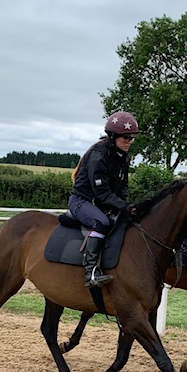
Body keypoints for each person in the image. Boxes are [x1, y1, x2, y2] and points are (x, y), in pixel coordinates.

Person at [69, 111, 140, 287]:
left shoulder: (123, 156)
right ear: (113, 136)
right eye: (126, 138)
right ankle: (91, 272)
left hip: (101, 202)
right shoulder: (98, 155)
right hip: (81, 201)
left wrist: (122, 205)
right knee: (101, 222)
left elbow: (123, 185)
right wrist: (123, 206)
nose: (129, 142)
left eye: (132, 138)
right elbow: (101, 193)